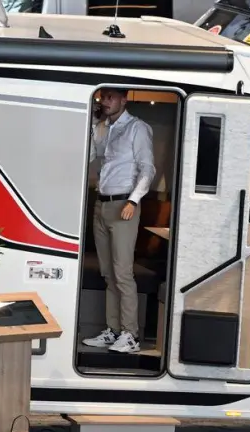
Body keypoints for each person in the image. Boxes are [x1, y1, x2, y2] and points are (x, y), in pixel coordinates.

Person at [83, 87, 157, 356]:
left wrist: (133, 201)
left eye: (111, 97)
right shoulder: (106, 128)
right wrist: (92, 122)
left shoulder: (138, 128)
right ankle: (113, 330)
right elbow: (92, 156)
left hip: (124, 203)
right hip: (102, 203)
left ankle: (131, 334)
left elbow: (148, 168)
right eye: (103, 97)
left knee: (123, 273)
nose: (105, 101)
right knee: (108, 273)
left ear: (125, 99)